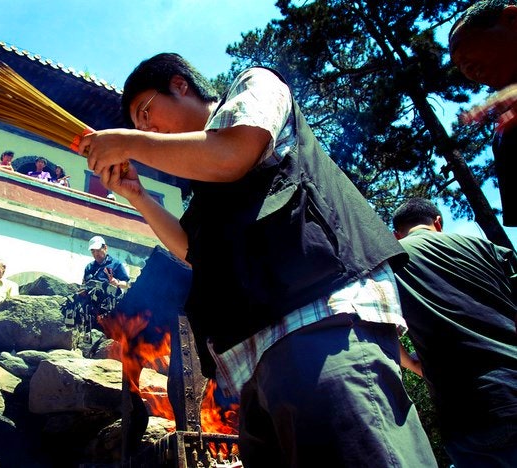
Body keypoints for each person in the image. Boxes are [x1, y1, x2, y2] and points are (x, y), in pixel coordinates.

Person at [78, 53, 437, 466]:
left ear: (180, 85)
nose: (146, 128)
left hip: (323, 326)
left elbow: (233, 153)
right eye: (138, 125)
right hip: (257, 368)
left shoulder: (254, 85)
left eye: (145, 113)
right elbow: (194, 254)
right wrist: (136, 195)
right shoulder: (206, 189)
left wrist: (127, 141)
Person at [391, 197, 517, 467]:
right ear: (438, 222)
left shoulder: (392, 263)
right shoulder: (488, 249)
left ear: (395, 234)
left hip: (463, 414)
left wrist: (413, 364)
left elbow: (378, 323)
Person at [449, 0, 517, 226]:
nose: (466, 69)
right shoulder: (504, 134)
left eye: (464, 50)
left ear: (511, 19)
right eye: (459, 67)